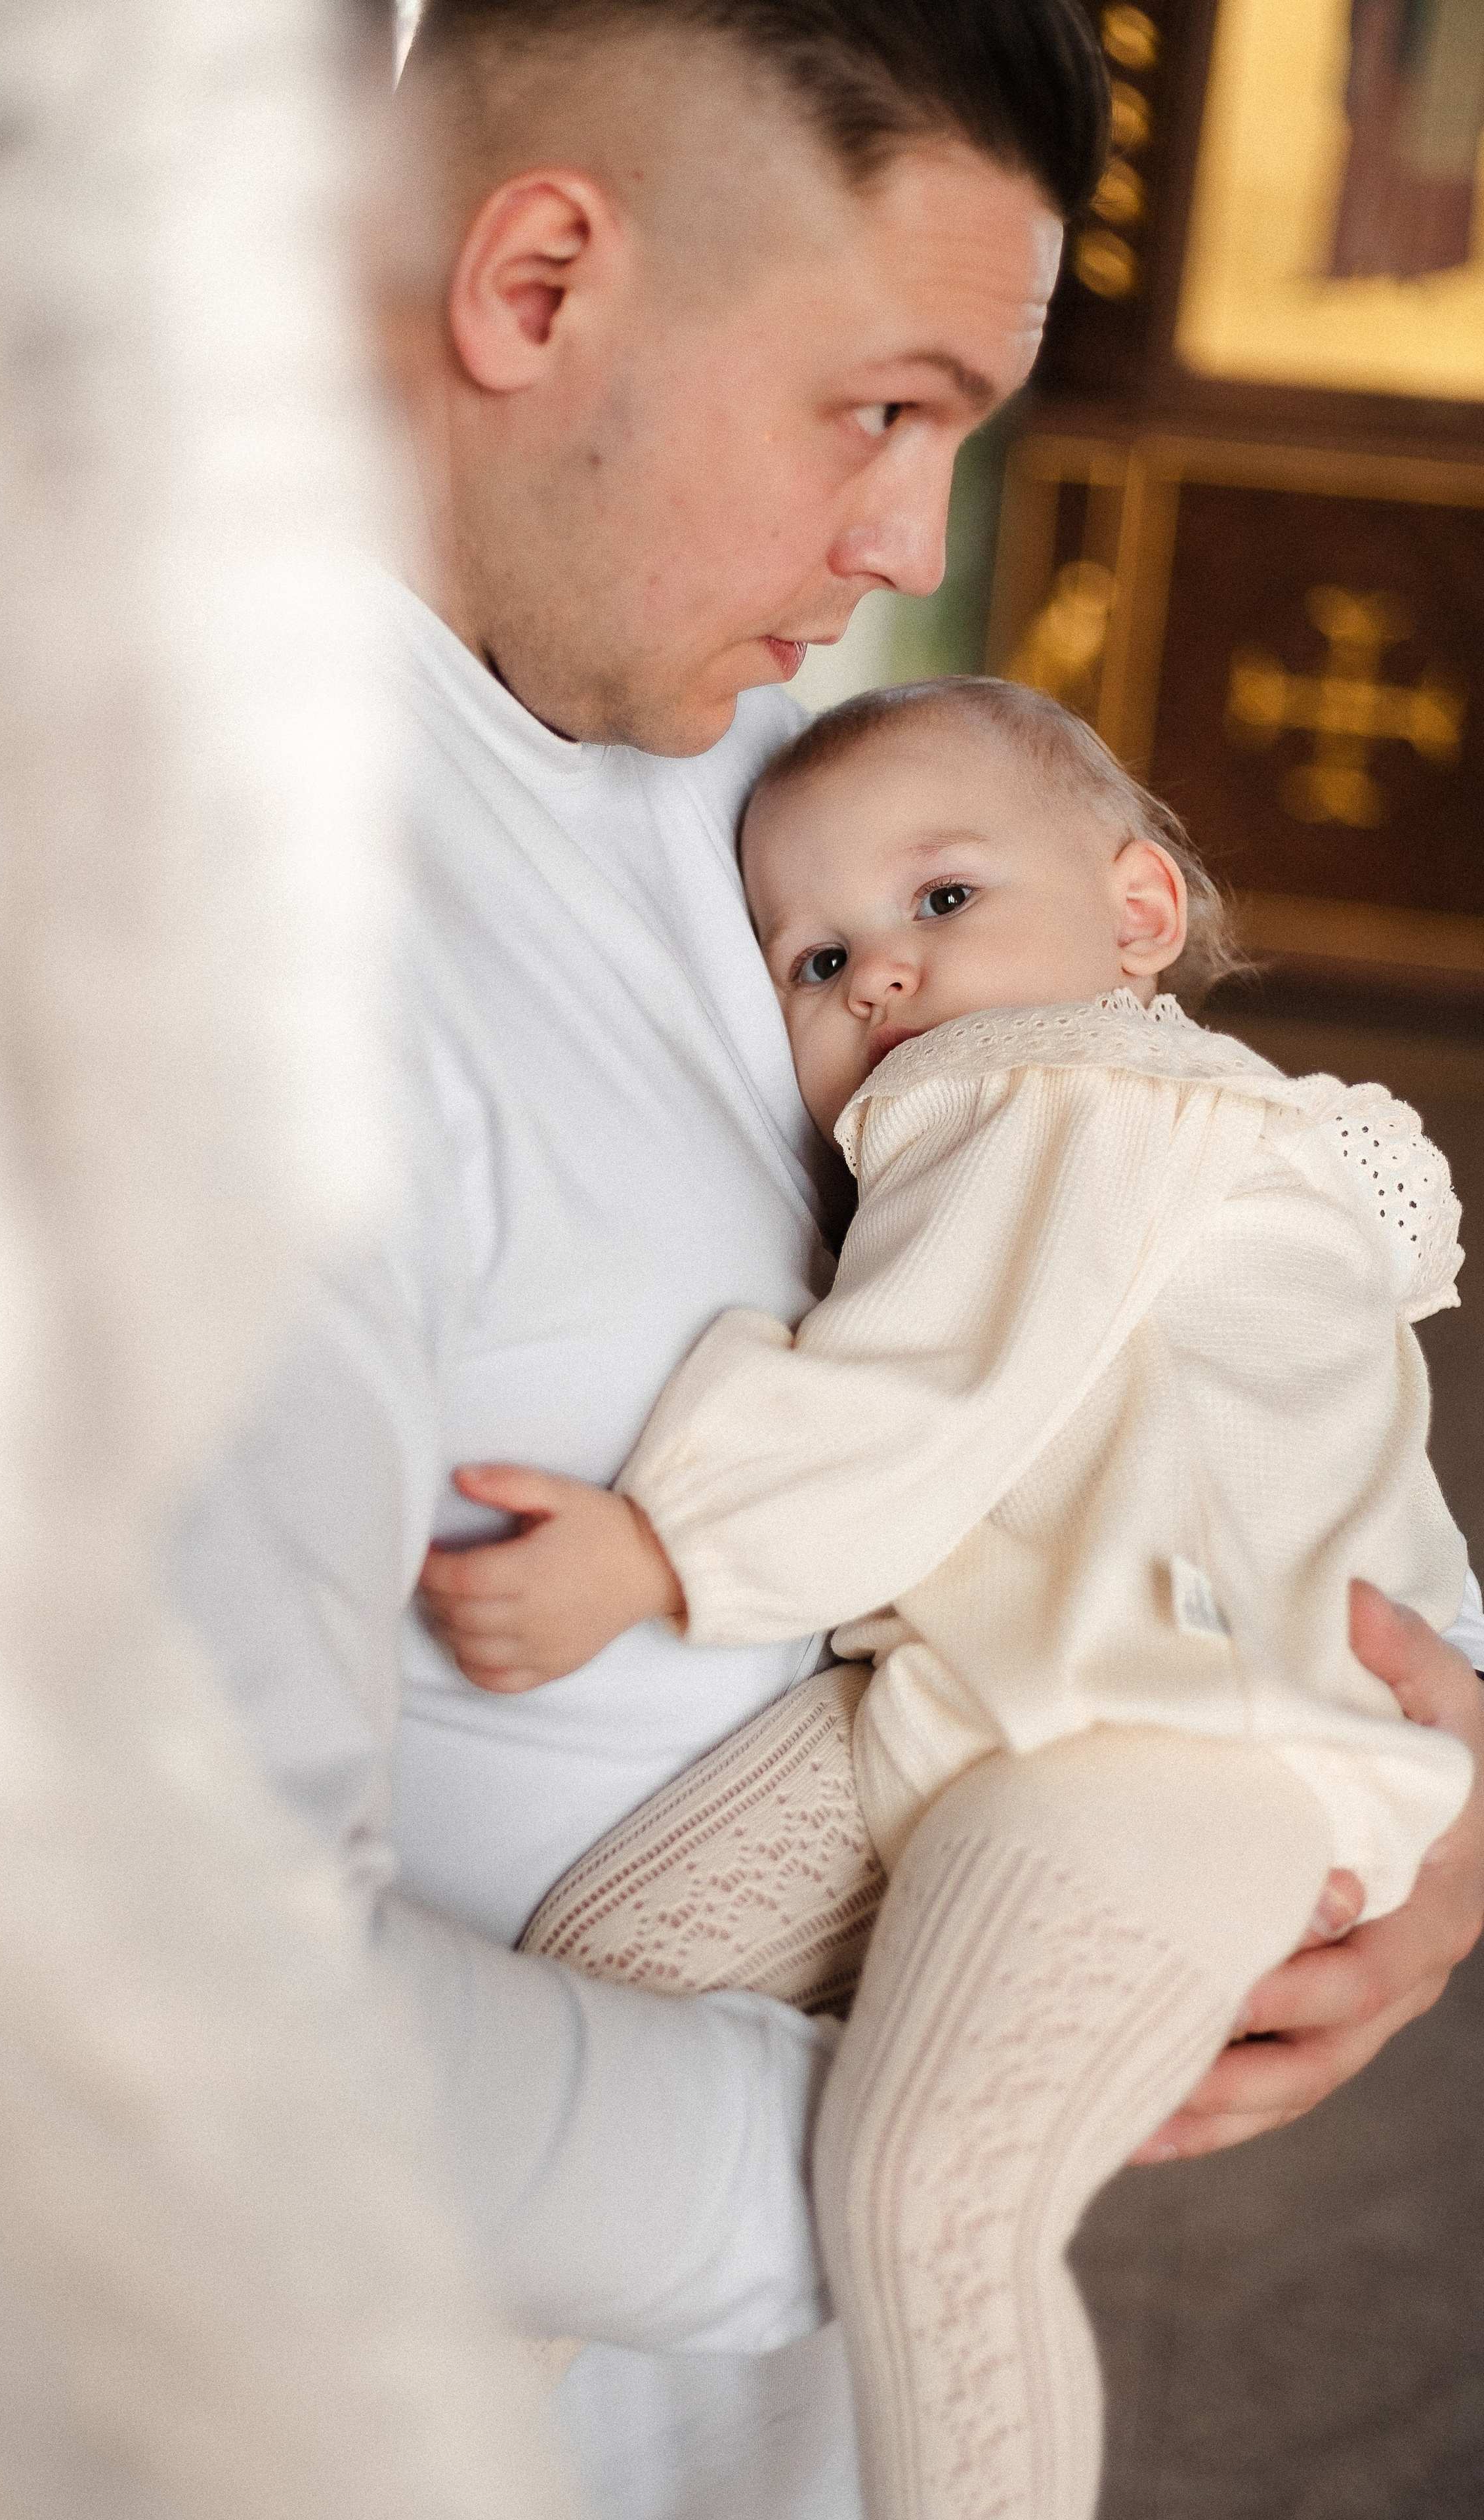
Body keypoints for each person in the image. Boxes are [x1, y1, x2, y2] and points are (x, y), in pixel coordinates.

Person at [178, 8, 1484, 2515]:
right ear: (540, 278)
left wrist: (1417, 1800)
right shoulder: (217, 938)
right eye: (879, 410)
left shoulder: (749, 757)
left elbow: (1191, 1323)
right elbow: (163, 1997)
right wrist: (934, 2143)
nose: (911, 545)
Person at [417, 677, 1474, 2520]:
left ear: (1135, 917)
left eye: (943, 902)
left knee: (937, 2196)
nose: (878, 977)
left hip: (1159, 1740)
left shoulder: (1065, 1082)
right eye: (812, 962)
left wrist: (666, 1549)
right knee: (607, 1969)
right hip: (990, 1690)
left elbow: (937, 1385)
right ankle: (348, 2420)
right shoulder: (1191, 1133)